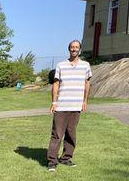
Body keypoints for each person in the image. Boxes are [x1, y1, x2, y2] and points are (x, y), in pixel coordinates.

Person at [46, 40, 92, 172]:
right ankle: (52, 161)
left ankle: (66, 158)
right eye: (72, 47)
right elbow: (56, 84)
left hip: (76, 106)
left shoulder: (86, 65)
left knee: (71, 134)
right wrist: (54, 102)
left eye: (76, 47)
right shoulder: (61, 65)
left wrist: (85, 101)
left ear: (80, 49)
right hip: (61, 106)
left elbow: (87, 84)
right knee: (57, 134)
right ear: (69, 49)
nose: (74, 49)